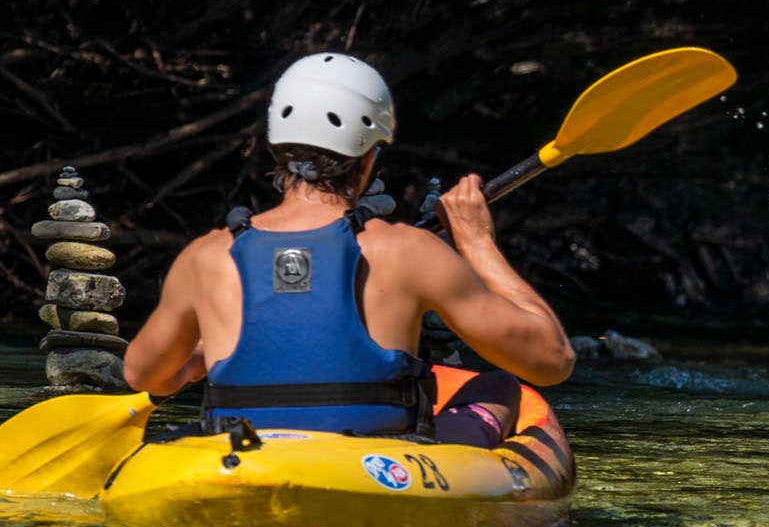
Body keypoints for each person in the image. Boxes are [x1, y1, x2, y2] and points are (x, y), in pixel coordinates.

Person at [125, 53, 576, 446]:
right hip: (378, 466)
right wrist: (476, 241)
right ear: (370, 156)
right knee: (499, 387)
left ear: (276, 148)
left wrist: (200, 359)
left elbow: (145, 376)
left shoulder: (205, 257)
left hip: (245, 458)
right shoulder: (410, 251)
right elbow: (551, 361)